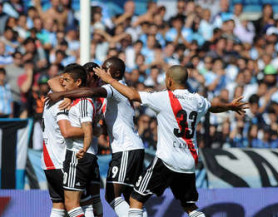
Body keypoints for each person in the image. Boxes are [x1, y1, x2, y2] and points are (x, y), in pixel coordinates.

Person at [94, 65, 247, 217]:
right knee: (190, 206)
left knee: (135, 199)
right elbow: (213, 106)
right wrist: (230, 106)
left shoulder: (164, 97)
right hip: (188, 163)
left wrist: (110, 80)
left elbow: (133, 95)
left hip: (166, 160)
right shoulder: (197, 100)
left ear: (170, 81)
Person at [48, 57, 147, 217]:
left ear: (115, 73)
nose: (100, 73)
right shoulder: (114, 91)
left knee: (110, 196)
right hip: (129, 147)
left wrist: (64, 95)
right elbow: (54, 80)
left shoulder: (112, 88)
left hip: (124, 148)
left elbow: (90, 92)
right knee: (130, 198)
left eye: (104, 69)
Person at [59, 64, 96, 217]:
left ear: (78, 82)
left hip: (78, 154)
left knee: (71, 203)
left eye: (67, 80)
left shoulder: (83, 102)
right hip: (80, 154)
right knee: (85, 201)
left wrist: (85, 149)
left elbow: (87, 128)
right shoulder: (75, 100)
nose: (63, 83)